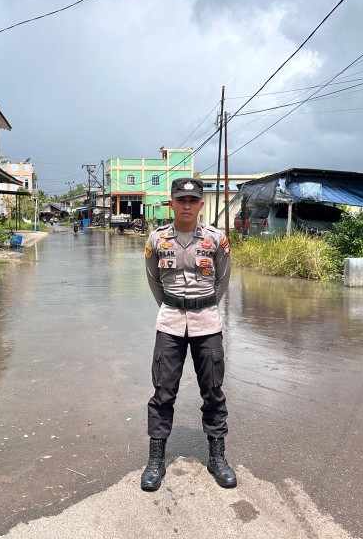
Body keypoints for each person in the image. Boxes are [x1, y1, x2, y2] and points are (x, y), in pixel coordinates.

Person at [141, 177, 236, 491]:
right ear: (171, 202)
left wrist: (202, 304)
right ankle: (156, 459)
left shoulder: (216, 239)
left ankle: (217, 457)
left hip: (207, 322)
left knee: (213, 389)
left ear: (201, 204)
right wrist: (174, 305)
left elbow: (222, 280)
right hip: (169, 322)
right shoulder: (156, 240)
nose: (186, 205)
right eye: (181, 199)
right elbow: (155, 281)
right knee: (163, 390)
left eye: (192, 200)